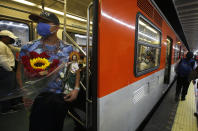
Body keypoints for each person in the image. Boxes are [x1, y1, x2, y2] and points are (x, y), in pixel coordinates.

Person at [16, 11, 80, 131]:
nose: (40, 25)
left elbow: (74, 69)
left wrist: (76, 88)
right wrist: (24, 92)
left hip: (60, 97)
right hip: (37, 97)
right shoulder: (28, 47)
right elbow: (20, 72)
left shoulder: (69, 48)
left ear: (57, 27)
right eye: (39, 22)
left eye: (44, 22)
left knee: (57, 126)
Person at [0, 30, 21, 114]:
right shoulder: (1, 45)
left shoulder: (6, 45)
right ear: (4, 37)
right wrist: (10, 69)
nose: (11, 41)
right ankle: (5, 109)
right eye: (9, 39)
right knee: (5, 90)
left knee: (10, 88)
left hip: (7, 70)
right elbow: (2, 60)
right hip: (5, 70)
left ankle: (11, 104)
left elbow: (17, 49)